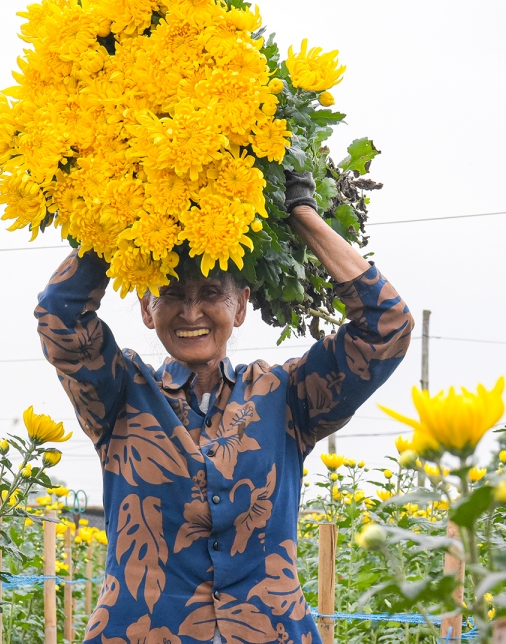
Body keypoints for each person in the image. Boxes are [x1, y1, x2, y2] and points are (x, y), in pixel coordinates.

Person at [35, 173, 414, 644]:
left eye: (212, 292)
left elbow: (387, 326)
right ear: (146, 309)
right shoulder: (120, 396)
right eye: (171, 293)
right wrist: (127, 209)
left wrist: (299, 212)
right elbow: (59, 317)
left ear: (240, 308)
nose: (191, 312)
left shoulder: (288, 397)